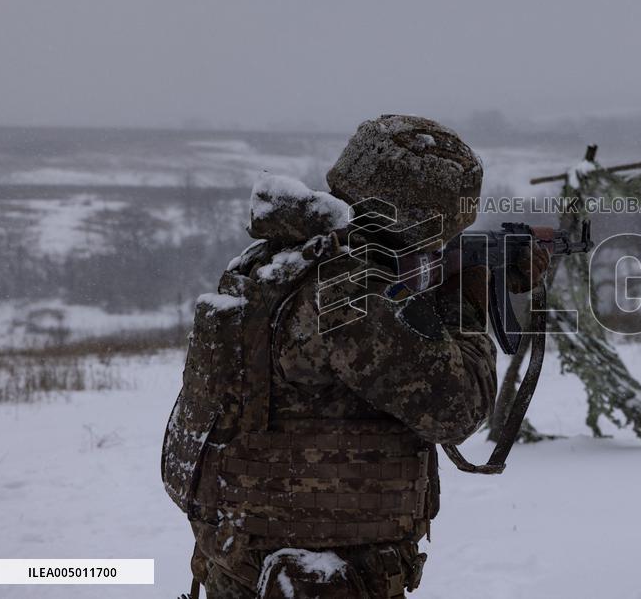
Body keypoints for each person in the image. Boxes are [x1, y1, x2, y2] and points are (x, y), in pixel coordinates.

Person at [168, 115, 548, 598]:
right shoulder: (351, 293)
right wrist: (466, 300)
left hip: (247, 555)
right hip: (317, 575)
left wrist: (474, 272)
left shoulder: (285, 260)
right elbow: (458, 410)